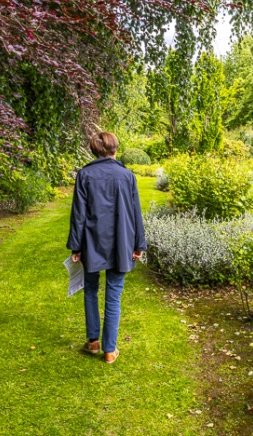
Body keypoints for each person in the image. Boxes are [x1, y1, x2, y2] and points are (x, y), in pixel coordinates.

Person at [66, 132, 146, 364]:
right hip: (121, 242)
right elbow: (135, 214)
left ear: (94, 151)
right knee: (114, 293)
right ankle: (110, 350)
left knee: (90, 289)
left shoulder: (85, 175)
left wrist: (76, 247)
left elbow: (78, 215)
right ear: (114, 149)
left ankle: (93, 342)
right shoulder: (127, 175)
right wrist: (138, 244)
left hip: (92, 242)